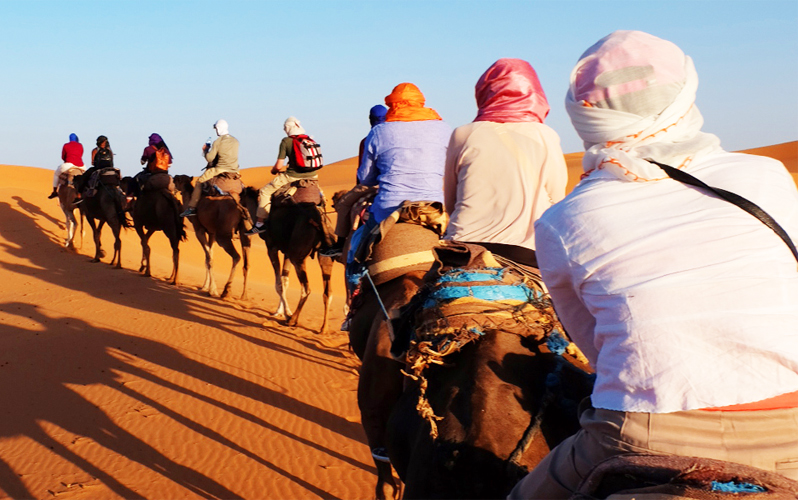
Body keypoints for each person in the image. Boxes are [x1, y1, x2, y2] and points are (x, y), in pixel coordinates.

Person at [507, 31, 798, 499]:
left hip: (645, 434)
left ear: (583, 114)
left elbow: (596, 350)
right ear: (684, 95)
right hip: (792, 428)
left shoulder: (564, 219)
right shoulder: (767, 176)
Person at [442, 58, 567, 268]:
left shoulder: (463, 134)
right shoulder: (546, 136)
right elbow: (557, 199)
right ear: (535, 93)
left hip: (463, 248)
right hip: (525, 250)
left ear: (484, 91)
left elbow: (450, 200)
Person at [318, 83, 449, 264]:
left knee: (358, 248)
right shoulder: (444, 128)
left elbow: (366, 177)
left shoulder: (378, 132)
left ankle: (349, 267)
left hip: (387, 208)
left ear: (393, 105)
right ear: (421, 102)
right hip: (434, 208)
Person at [248, 117, 325, 234]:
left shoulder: (286, 141)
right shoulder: (309, 139)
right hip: (313, 177)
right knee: (321, 197)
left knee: (265, 191)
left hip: (292, 176)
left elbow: (279, 166)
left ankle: (260, 224)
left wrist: (274, 170)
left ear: (288, 128)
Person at [180, 119, 240, 217]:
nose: (216, 130)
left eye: (216, 128)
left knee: (199, 182)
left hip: (220, 169)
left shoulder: (218, 141)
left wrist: (205, 150)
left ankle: (191, 208)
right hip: (235, 171)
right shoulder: (235, 141)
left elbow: (209, 158)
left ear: (219, 128)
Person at [49, 133, 85, 199]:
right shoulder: (80, 145)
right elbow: (81, 154)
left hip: (68, 164)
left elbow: (63, 156)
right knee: (86, 176)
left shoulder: (66, 145)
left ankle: (54, 191)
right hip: (80, 165)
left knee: (56, 174)